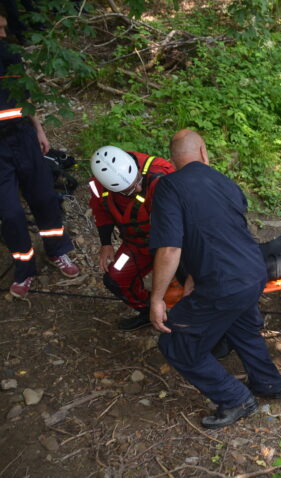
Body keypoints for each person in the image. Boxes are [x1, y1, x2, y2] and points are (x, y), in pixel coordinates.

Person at [149, 129, 281, 430]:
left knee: (176, 343)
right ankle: (268, 384)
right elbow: (221, 228)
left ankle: (236, 399)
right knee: (241, 327)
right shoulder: (225, 182)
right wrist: (195, 273)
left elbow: (171, 247)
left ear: (173, 160)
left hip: (225, 282)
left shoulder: (169, 187)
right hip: (254, 271)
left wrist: (157, 298)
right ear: (203, 152)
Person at [0, 14, 79, 299]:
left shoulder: (10, 54)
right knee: (10, 214)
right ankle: (24, 270)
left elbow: (26, 96)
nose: (4, 32)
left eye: (5, 27)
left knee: (45, 199)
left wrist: (39, 130)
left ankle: (57, 252)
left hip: (23, 137)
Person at [88, 146, 174, 330]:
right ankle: (148, 310)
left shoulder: (161, 174)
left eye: (137, 181)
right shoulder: (99, 185)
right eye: (129, 190)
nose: (138, 188)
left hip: (173, 246)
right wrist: (106, 243)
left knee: (187, 284)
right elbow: (100, 210)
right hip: (137, 244)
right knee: (116, 278)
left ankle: (184, 318)